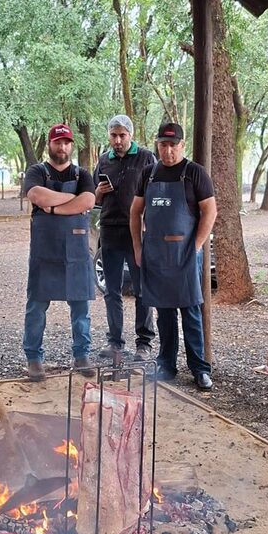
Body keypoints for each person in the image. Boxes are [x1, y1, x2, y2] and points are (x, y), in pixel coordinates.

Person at [130, 122, 216, 391]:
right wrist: (137, 247)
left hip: (185, 254)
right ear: (158, 145)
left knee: (190, 311)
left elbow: (210, 212)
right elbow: (135, 212)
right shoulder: (149, 174)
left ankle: (200, 369)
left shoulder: (195, 174)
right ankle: (166, 364)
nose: (168, 151)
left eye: (173, 145)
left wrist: (197, 246)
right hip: (155, 254)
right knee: (164, 314)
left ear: (182, 145)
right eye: (163, 145)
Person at [22, 123, 96, 381]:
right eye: (57, 142)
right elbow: (36, 195)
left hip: (76, 253)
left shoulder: (83, 174)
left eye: (66, 142)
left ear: (71, 145)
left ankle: (82, 354)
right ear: (50, 145)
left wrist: (53, 208)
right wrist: (71, 201)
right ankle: (33, 357)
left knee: (80, 308)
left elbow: (88, 201)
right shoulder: (36, 171)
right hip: (45, 251)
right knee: (36, 306)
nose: (62, 147)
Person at [93, 114, 156, 363]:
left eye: (122, 135)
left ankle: (144, 343)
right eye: (113, 135)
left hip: (137, 232)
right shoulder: (103, 161)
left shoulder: (145, 157)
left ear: (130, 135)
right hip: (110, 229)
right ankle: (115, 341)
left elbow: (154, 192)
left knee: (141, 288)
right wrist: (98, 191)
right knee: (112, 289)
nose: (118, 140)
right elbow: (92, 198)